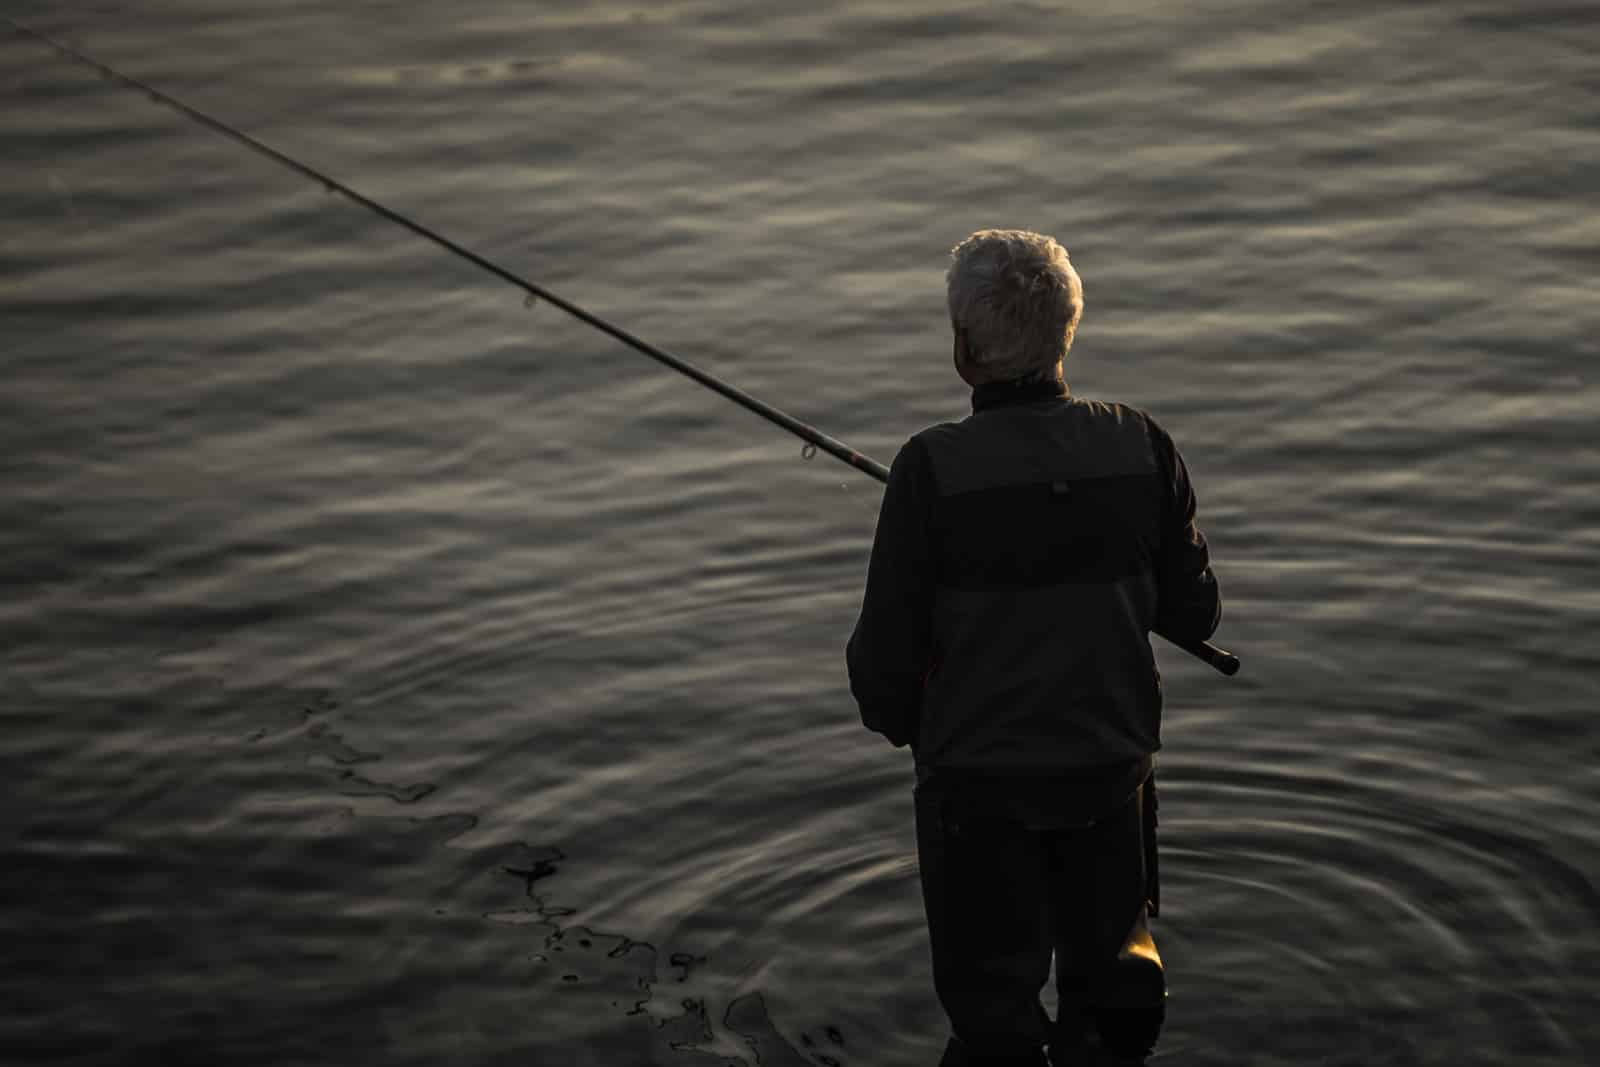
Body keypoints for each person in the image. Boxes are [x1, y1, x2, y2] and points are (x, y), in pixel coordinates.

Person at [846, 230, 1221, 1066]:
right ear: (1067, 333)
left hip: (977, 792)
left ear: (964, 349)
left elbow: (882, 673)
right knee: (1116, 1005)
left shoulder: (929, 471)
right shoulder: (1142, 444)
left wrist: (922, 731)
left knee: (995, 1024)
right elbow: (1198, 613)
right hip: (1111, 772)